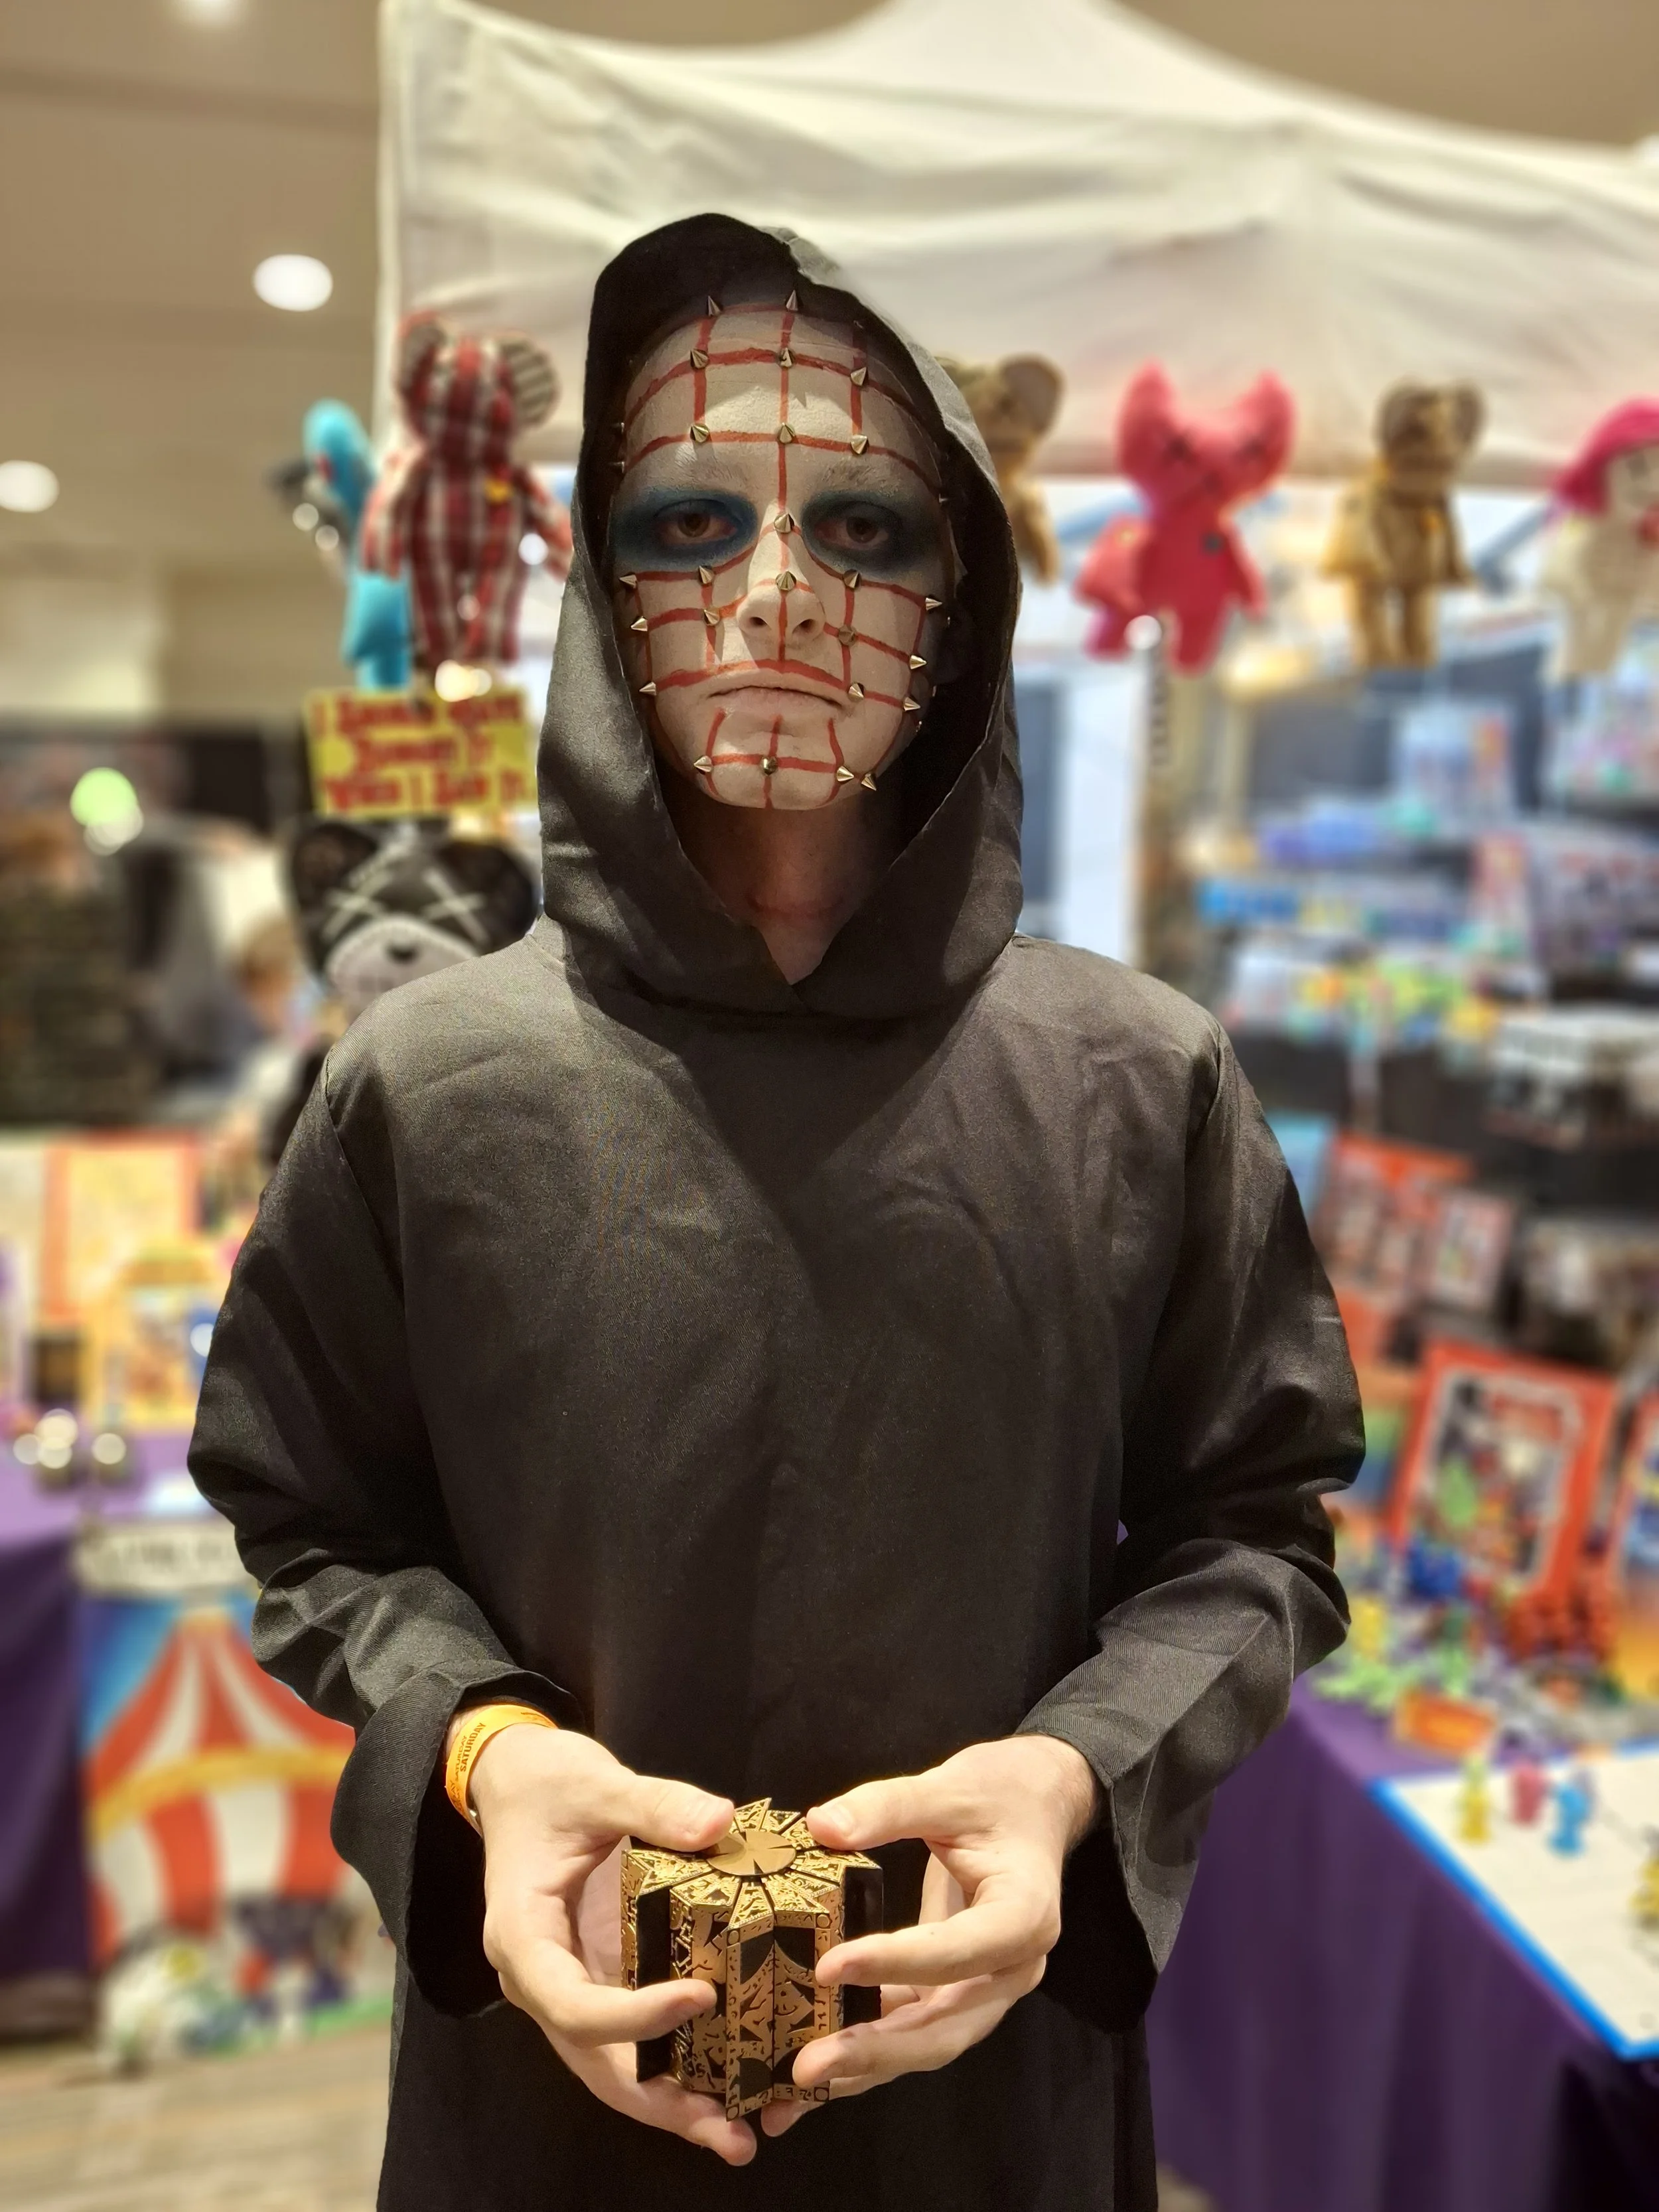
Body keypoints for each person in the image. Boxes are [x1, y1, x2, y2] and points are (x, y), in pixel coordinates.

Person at [190, 214, 1360, 2212]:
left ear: (962, 598)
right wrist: (486, 1751)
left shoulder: (1136, 1079)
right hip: (552, 2077)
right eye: (689, 521)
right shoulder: (427, 1083)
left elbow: (1256, 1527)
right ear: (603, 578)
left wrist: (1074, 1768)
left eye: (867, 529)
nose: (778, 591)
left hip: (987, 2086)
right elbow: (310, 1519)